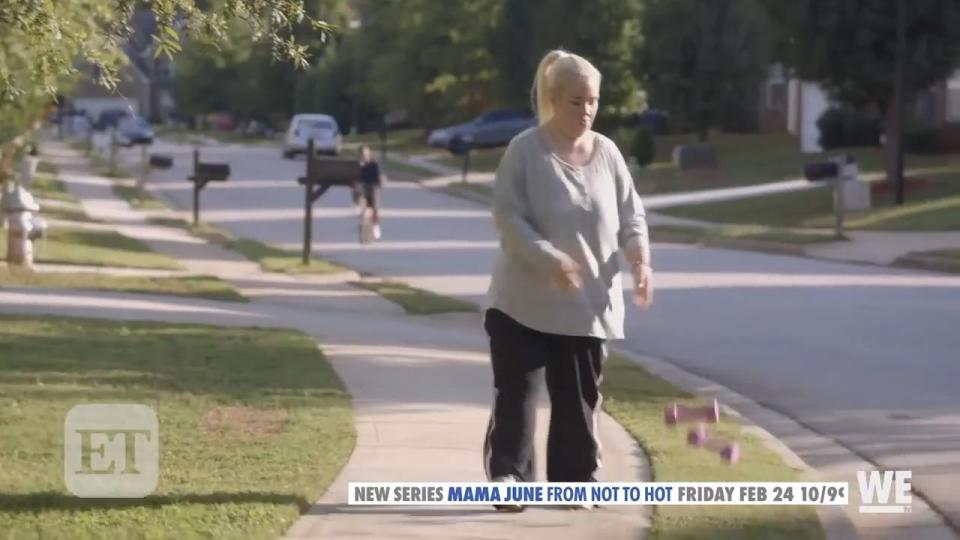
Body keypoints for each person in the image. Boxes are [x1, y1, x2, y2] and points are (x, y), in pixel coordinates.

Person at [482, 49, 653, 511]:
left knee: (578, 398)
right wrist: (550, 258)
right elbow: (507, 216)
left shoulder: (609, 154)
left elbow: (630, 216)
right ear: (554, 100)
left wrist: (640, 261)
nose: (587, 110)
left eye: (593, 101)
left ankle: (574, 483)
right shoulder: (525, 149)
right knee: (517, 391)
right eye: (577, 101)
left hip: (585, 303)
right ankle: (509, 478)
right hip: (521, 301)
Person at [357, 145, 384, 240]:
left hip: (372, 189)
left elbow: (379, 180)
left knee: (374, 207)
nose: (365, 156)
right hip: (363, 190)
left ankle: (375, 226)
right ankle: (365, 230)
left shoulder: (374, 165)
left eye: (367, 154)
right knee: (365, 208)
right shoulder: (358, 166)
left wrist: (380, 183)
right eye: (363, 155)